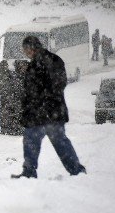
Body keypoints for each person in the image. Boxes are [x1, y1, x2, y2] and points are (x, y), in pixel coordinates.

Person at [12, 36, 86, 179]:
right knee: (48, 141)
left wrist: (40, 101)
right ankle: (74, 170)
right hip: (47, 111)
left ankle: (75, 170)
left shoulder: (46, 61)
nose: (25, 53)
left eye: (25, 49)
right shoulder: (46, 61)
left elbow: (56, 85)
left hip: (47, 112)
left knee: (45, 141)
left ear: (31, 48)